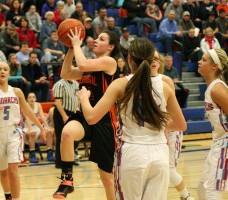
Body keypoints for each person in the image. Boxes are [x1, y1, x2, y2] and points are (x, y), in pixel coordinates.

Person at [76, 38, 186, 200]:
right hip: (160, 153)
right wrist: (154, 120)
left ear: (129, 60)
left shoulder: (121, 84)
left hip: (132, 153)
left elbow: (92, 118)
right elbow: (180, 124)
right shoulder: (165, 86)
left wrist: (84, 98)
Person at [53, 29, 120, 199]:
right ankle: (67, 181)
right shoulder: (88, 67)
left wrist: (76, 44)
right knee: (67, 132)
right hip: (84, 115)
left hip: (104, 119)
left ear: (110, 46)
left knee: (106, 176)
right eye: (96, 37)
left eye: (101, 39)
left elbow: (82, 64)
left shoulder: (109, 62)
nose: (96, 40)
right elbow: (65, 74)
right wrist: (70, 49)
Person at [0, 61, 46, 200]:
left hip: (14, 131)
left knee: (13, 170)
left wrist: (41, 128)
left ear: (9, 73)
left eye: (5, 69)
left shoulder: (16, 91)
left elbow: (28, 111)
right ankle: (8, 196)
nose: (2, 71)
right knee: (3, 172)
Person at [152, 50, 194, 200]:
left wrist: (166, 131)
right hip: (153, 132)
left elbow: (171, 111)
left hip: (169, 131)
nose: (154, 60)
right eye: (151, 57)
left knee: (169, 170)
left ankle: (186, 195)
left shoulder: (165, 81)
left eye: (156, 58)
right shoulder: (140, 81)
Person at [197, 48, 228, 200]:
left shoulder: (217, 88)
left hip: (225, 143)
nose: (199, 61)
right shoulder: (212, 87)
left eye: (203, 60)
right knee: (202, 188)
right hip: (218, 142)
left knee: (211, 190)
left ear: (214, 66)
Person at [52, 78, 79, 168]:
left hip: (73, 112)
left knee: (75, 138)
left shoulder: (76, 83)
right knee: (61, 138)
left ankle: (70, 159)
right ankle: (59, 162)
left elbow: (78, 99)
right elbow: (58, 102)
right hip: (61, 112)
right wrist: (64, 115)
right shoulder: (59, 84)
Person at [23, 92, 55, 163]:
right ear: (27, 99)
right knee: (32, 133)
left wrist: (47, 127)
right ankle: (32, 154)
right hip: (27, 127)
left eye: (33, 97)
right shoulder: (25, 106)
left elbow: (42, 117)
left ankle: (49, 154)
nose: (32, 99)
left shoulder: (38, 105)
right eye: (30, 97)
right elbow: (27, 119)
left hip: (37, 127)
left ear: (36, 98)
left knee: (49, 132)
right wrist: (30, 129)